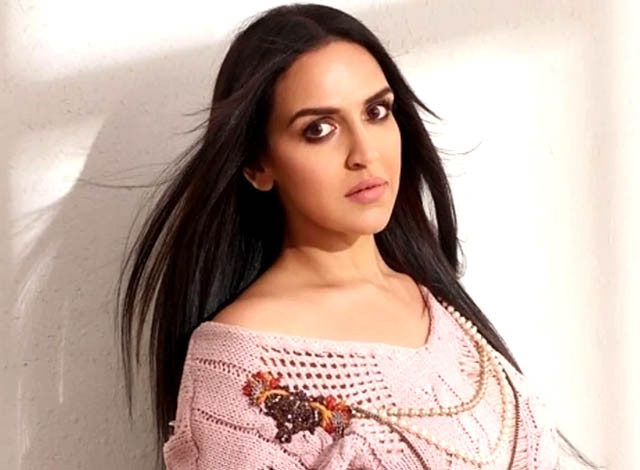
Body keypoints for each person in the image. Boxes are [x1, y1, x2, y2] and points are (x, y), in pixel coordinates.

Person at [117, 4, 599, 469]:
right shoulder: (243, 361)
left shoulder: (435, 303)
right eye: (319, 129)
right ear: (258, 165)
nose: (364, 152)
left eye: (376, 112)